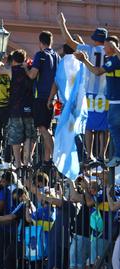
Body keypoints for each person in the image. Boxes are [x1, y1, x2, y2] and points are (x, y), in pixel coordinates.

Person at [59, 13, 109, 162]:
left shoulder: (88, 50)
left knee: (89, 126)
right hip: (105, 93)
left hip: (89, 93)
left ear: (94, 39)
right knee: (103, 126)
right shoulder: (110, 52)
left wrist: (62, 23)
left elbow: (68, 40)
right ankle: (102, 154)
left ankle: (89, 155)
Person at [75, 35, 120, 167]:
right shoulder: (111, 59)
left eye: (106, 46)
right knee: (112, 128)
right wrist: (84, 60)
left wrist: (115, 47)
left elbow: (98, 71)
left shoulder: (116, 59)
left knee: (113, 128)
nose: (104, 48)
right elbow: (97, 71)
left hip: (117, 102)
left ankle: (117, 156)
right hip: (112, 101)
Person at [0, 50, 36, 168]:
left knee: (15, 137)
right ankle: (27, 161)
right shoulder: (30, 70)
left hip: (15, 109)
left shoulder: (11, 70)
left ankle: (18, 163)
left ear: (14, 60)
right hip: (29, 108)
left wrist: (2, 62)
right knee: (29, 136)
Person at [27, 31, 60, 165]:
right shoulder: (57, 56)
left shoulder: (40, 55)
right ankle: (47, 160)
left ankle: (54, 156)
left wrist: (25, 68)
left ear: (40, 43)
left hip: (41, 96)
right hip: (53, 97)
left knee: (42, 128)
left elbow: (32, 75)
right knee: (48, 128)